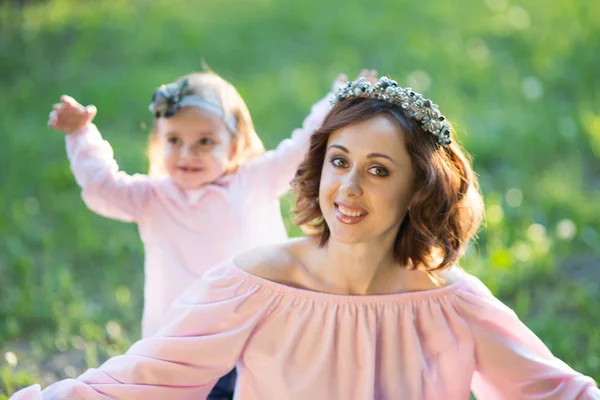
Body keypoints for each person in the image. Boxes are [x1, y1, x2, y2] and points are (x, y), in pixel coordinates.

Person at [15, 75, 599, 399]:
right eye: (338, 161)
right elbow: (143, 381)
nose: (347, 188)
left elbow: (558, 393)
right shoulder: (254, 284)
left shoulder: (453, 304)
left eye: (378, 170)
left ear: (419, 189)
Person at [44, 69, 367, 400]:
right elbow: (102, 186)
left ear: (233, 146)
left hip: (254, 333)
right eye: (174, 141)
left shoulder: (255, 180)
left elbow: (302, 145)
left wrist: (337, 98)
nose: (187, 154)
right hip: (185, 341)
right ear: (158, 142)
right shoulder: (152, 197)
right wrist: (81, 134)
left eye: (205, 142)